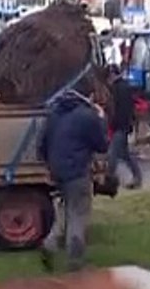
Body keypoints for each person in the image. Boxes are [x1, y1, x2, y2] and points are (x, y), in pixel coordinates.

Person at [38, 86, 109, 272]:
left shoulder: (54, 114)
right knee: (78, 215)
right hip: (77, 172)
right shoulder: (87, 116)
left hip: (57, 172)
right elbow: (102, 145)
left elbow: (41, 145)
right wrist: (101, 119)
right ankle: (75, 262)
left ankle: (49, 244)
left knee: (63, 212)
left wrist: (50, 166)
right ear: (88, 96)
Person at [106, 65, 143, 189]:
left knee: (112, 154)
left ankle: (109, 180)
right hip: (124, 126)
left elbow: (120, 110)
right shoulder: (124, 87)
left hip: (120, 126)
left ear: (112, 74)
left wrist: (113, 123)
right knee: (125, 154)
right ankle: (137, 178)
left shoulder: (118, 89)